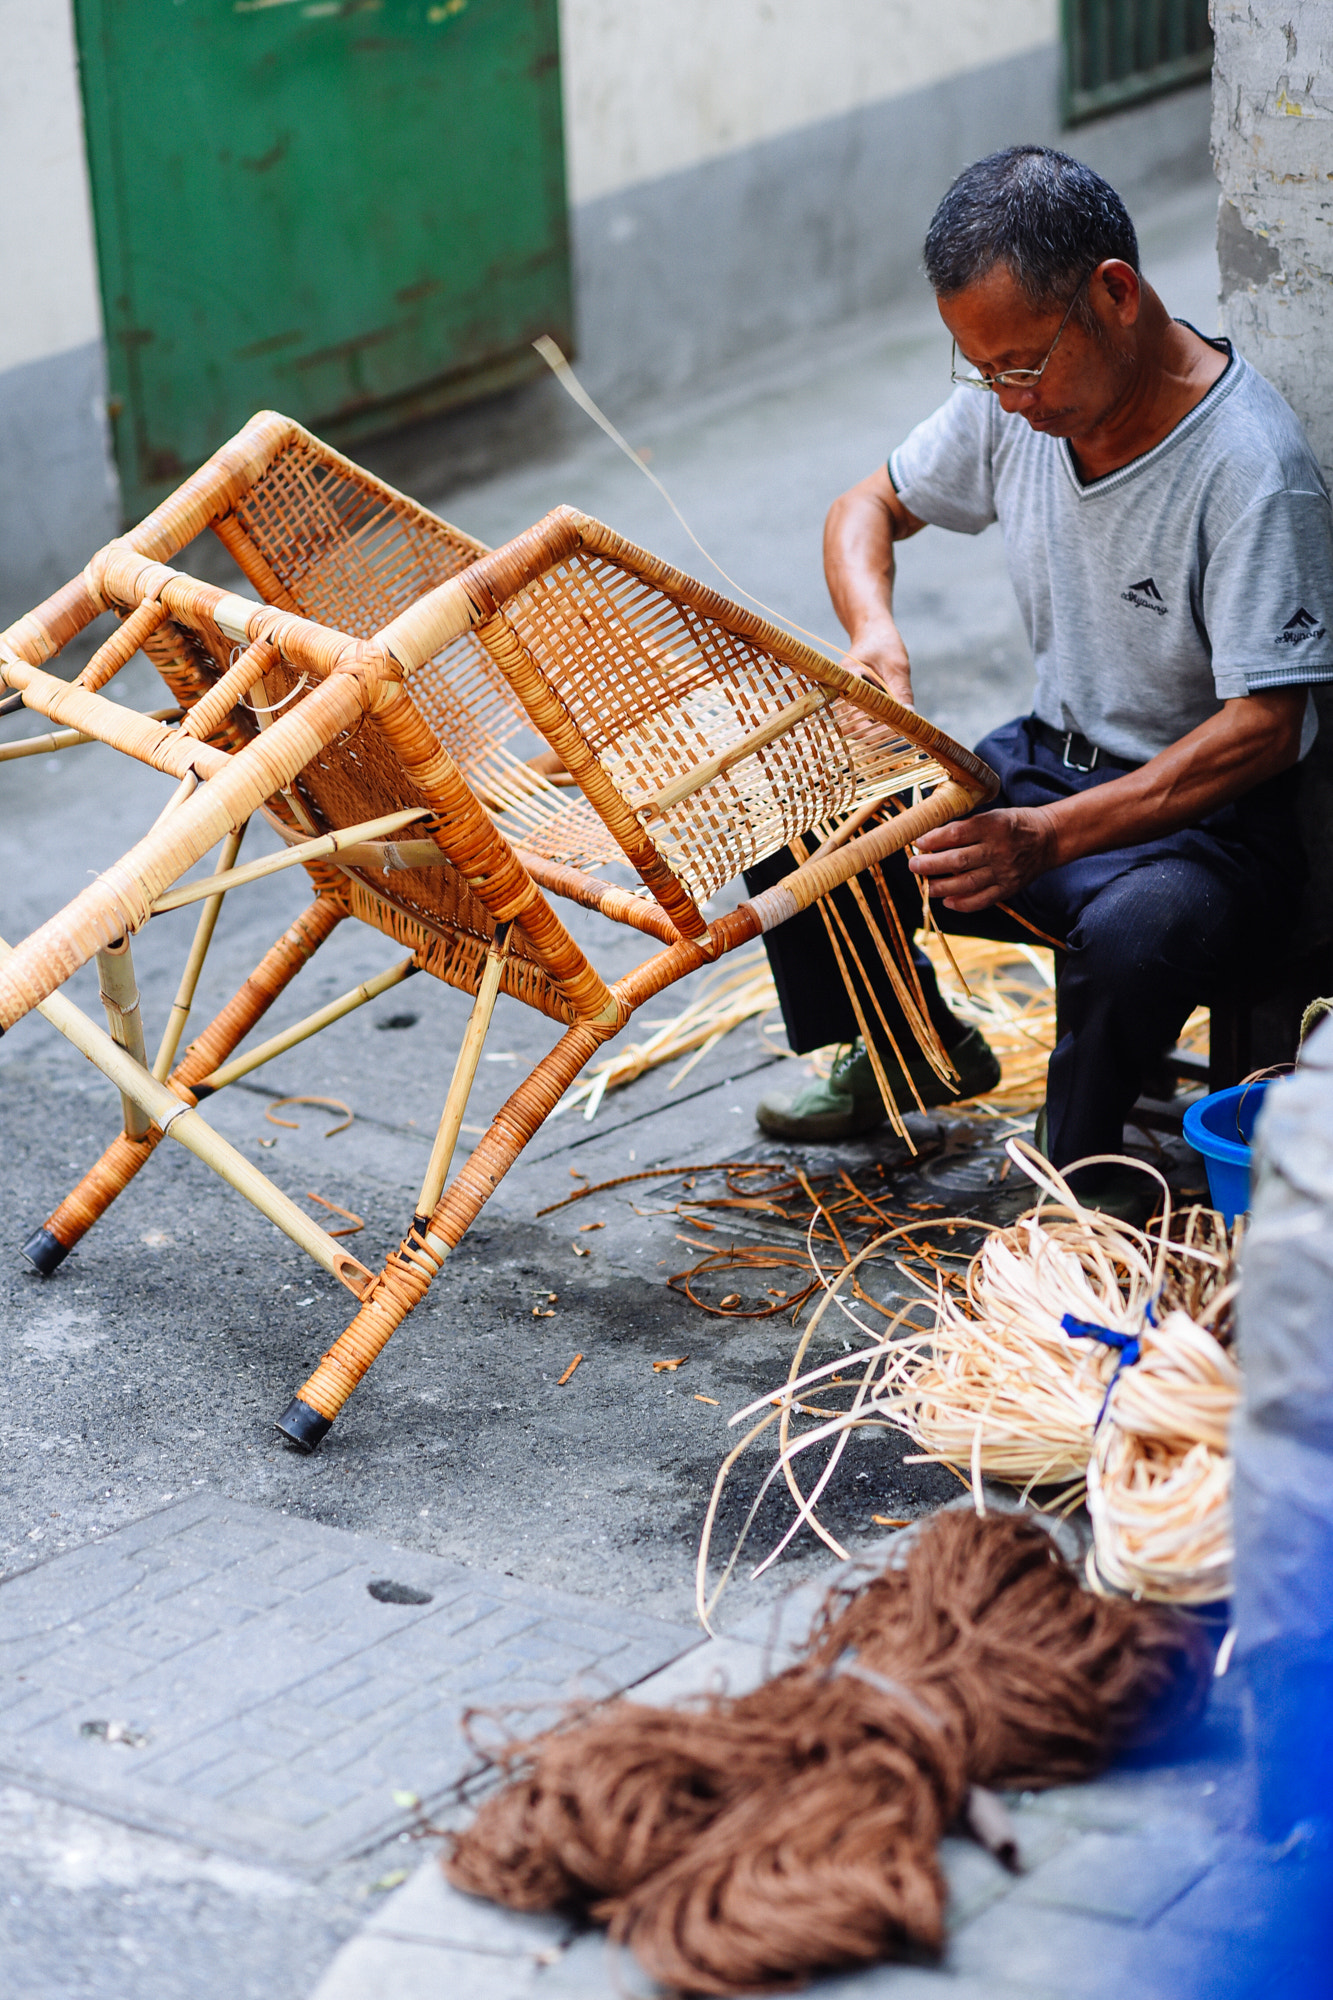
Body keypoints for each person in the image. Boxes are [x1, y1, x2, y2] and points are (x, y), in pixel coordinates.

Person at [754, 145, 1333, 1217]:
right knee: (805, 826)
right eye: (981, 370)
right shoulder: (1006, 403)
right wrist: (870, 631)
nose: (1004, 399)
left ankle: (1078, 1186)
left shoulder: (1248, 466)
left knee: (1132, 936)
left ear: (1113, 294)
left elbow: (1266, 724)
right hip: (1038, 763)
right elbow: (861, 509)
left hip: (1202, 821)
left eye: (1021, 365)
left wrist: (1049, 838)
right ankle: (906, 1052)